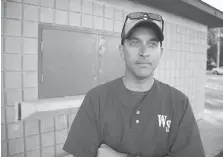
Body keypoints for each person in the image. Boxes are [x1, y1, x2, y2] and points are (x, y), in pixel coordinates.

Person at [63, 12, 205, 157]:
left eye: (152, 44)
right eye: (135, 43)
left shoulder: (179, 103)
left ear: (160, 52)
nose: (144, 52)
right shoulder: (96, 99)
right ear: (121, 51)